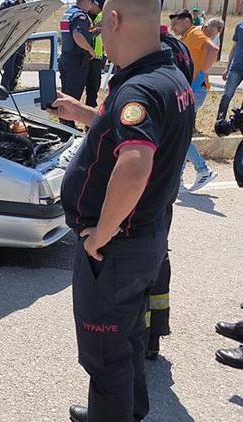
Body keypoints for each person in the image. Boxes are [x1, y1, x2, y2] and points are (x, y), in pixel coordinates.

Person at [50, 0, 194, 420]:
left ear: (114, 21)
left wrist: (101, 233)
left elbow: (134, 165)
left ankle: (111, 413)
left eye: (100, 26)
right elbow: (127, 128)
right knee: (129, 335)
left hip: (116, 248)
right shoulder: (169, 77)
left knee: (104, 354)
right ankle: (129, 410)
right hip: (145, 239)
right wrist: (83, 113)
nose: (99, 35)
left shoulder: (138, 90)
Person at [143, 22, 196, 362]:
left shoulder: (150, 63)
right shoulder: (177, 53)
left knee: (141, 266)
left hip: (149, 187)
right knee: (160, 256)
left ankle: (142, 339)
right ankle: (154, 336)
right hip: (167, 180)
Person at [171, 9, 219, 192]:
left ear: (185, 21)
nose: (173, 27)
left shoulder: (194, 33)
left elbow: (213, 49)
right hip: (191, 90)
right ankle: (180, 178)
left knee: (179, 132)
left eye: (175, 23)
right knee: (182, 131)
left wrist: (200, 78)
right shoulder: (187, 37)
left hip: (196, 90)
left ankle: (202, 169)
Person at [58, 0, 97, 128]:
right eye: (91, 2)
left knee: (66, 92)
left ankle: (64, 122)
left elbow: (74, 32)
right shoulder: (80, 15)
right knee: (73, 94)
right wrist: (90, 50)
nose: (91, 6)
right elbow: (77, 34)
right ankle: (68, 125)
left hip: (66, 57)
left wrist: (91, 33)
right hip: (76, 60)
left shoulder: (68, 13)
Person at [0, 0, 28, 91]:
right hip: (10, 44)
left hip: (21, 43)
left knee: (17, 70)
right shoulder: (7, 4)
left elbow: (28, 22)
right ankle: (4, 93)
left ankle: (12, 91)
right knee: (9, 71)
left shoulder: (27, 5)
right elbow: (1, 21)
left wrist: (28, 40)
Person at [218, 21, 243, 121]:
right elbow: (234, 46)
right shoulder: (240, 26)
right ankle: (220, 121)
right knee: (227, 95)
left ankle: (240, 123)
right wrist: (227, 68)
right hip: (236, 67)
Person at [86, 0, 106, 109]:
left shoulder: (103, 14)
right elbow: (82, 32)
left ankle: (89, 117)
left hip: (98, 57)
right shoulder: (83, 14)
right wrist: (97, 26)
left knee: (93, 87)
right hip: (84, 56)